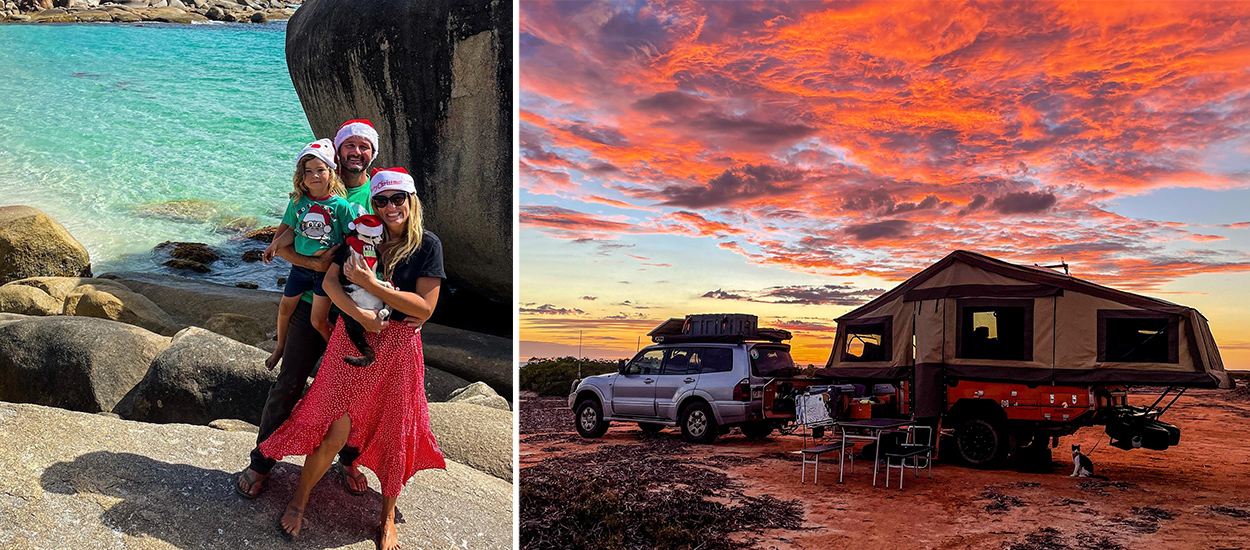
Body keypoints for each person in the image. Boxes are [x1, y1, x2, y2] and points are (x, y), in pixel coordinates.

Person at [260, 167, 446, 550]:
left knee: (394, 432)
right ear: (373, 204)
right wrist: (362, 314)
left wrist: (372, 286)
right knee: (332, 429)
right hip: (352, 341)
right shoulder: (361, 235)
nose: (390, 207)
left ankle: (388, 517)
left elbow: (424, 308)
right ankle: (299, 501)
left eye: (398, 199)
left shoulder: (427, 245)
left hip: (398, 351)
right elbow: (329, 283)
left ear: (411, 201)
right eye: (381, 200)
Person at [237, 119, 381, 500]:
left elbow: (397, 242)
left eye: (363, 146)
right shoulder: (310, 195)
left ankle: (348, 459)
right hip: (308, 304)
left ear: (372, 153)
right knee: (288, 384)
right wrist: (314, 265)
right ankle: (262, 460)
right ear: (336, 154)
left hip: (357, 311)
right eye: (348, 145)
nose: (356, 152)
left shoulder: (380, 194)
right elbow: (286, 242)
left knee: (356, 394)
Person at [263, 139, 355, 364]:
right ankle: (280, 348)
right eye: (308, 171)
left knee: (318, 321)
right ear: (301, 176)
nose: (314, 176)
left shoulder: (341, 206)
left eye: (320, 170)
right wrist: (274, 245)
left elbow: (352, 238)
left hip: (326, 276)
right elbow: (293, 232)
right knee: (285, 308)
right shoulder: (297, 202)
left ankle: (336, 354)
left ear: (331, 172)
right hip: (300, 269)